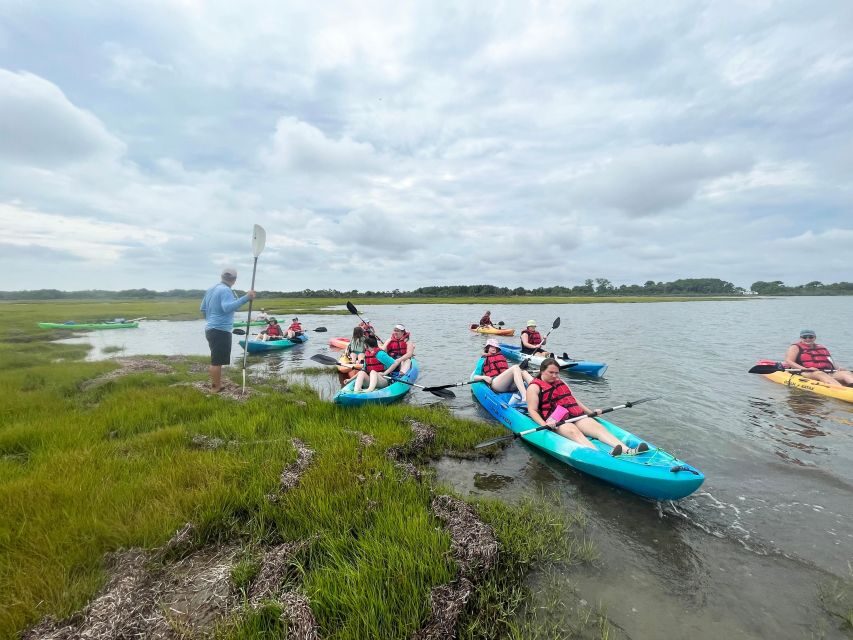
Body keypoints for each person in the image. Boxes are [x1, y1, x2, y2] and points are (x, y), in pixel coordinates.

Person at [526, 358, 649, 456]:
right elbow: (532, 410)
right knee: (574, 432)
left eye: (556, 373)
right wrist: (543, 424)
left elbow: (573, 400)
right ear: (542, 371)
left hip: (574, 415)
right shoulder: (534, 387)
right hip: (556, 420)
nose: (554, 376)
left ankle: (627, 450)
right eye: (551, 372)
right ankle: (601, 456)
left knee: (598, 429)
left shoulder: (560, 382)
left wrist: (590, 412)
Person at [200, 267, 256, 392]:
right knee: (216, 361)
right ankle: (215, 388)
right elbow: (227, 308)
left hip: (211, 328)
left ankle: (217, 384)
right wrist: (246, 298)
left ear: (222, 277)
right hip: (220, 330)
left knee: (216, 359)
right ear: (234, 280)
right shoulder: (225, 290)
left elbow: (202, 309)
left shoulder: (211, 289)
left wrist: (210, 321)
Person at [783, 329, 853, 387]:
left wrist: (838, 368)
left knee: (845, 373)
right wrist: (806, 369)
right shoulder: (795, 347)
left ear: (814, 338)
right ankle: (841, 390)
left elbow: (829, 361)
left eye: (810, 337)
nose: (808, 339)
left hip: (827, 371)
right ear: (801, 338)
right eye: (805, 337)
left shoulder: (822, 347)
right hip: (807, 372)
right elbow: (789, 361)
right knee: (819, 374)